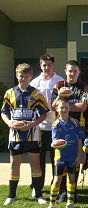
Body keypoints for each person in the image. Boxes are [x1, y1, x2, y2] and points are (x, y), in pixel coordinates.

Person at [1, 63, 49, 205]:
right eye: (21, 75)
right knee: (14, 164)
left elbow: (44, 114)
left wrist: (32, 124)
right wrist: (9, 123)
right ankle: (11, 195)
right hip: (15, 135)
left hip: (32, 135)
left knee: (35, 163)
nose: (23, 78)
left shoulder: (36, 93)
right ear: (17, 75)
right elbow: (4, 112)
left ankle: (38, 194)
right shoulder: (9, 93)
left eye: (27, 76)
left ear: (30, 77)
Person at [51, 60, 88, 203]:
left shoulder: (83, 86)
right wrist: (61, 97)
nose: (72, 73)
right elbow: (53, 106)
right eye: (69, 71)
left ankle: (73, 191)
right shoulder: (59, 86)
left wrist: (64, 106)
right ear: (65, 71)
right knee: (60, 158)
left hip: (78, 126)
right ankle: (61, 191)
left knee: (76, 159)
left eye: (75, 71)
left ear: (78, 72)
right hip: (60, 127)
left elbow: (83, 106)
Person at [30, 53, 64, 194]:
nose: (46, 67)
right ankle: (37, 186)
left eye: (49, 64)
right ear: (40, 65)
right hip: (40, 127)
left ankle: (57, 186)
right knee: (39, 160)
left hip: (57, 126)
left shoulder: (60, 81)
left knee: (57, 159)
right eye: (43, 64)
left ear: (53, 65)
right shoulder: (34, 83)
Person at [48, 98, 85, 208]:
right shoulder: (55, 125)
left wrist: (79, 156)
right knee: (57, 180)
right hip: (60, 158)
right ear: (57, 109)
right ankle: (52, 204)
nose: (64, 109)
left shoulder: (75, 123)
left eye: (66, 107)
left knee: (71, 179)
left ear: (69, 109)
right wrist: (56, 144)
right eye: (61, 108)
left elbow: (79, 140)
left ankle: (70, 203)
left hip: (72, 157)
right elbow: (54, 142)